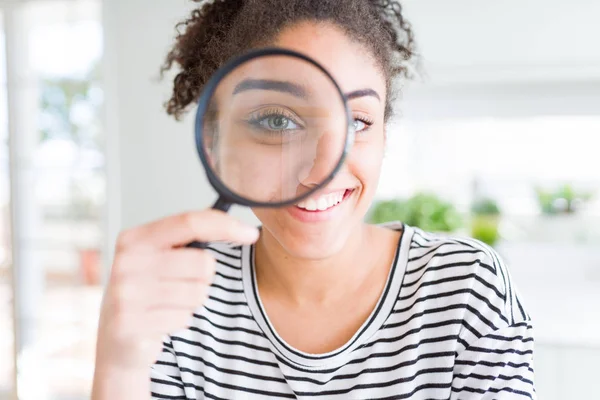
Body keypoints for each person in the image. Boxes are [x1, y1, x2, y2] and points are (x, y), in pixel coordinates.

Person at [91, 0, 536, 399]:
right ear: (219, 136)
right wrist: (119, 369)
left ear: (384, 133)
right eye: (276, 121)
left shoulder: (467, 291)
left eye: (358, 122)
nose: (320, 171)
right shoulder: (177, 297)